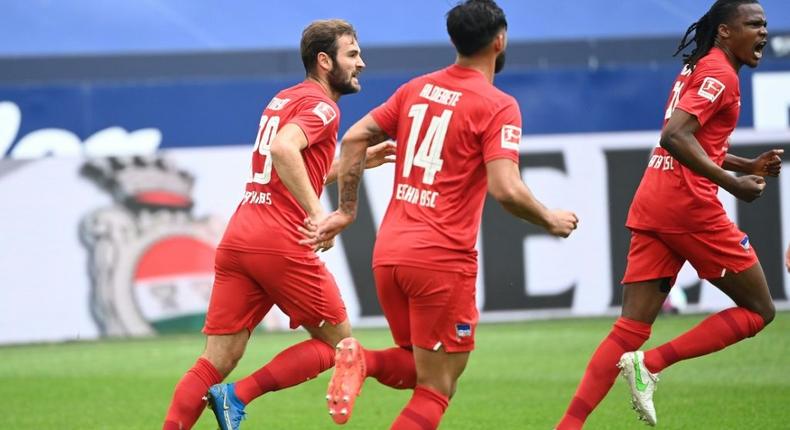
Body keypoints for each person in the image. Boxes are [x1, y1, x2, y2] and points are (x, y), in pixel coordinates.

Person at [301, 1, 578, 428]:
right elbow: (506, 189)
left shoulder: (417, 89)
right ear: (500, 41)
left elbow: (356, 136)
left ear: (453, 41)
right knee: (438, 387)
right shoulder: (498, 104)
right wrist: (549, 219)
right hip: (440, 260)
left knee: (418, 369)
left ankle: (365, 360)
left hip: (390, 255)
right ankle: (365, 361)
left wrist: (347, 211)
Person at [161, 19, 398, 430]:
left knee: (215, 360)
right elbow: (283, 149)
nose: (362, 63)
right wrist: (317, 214)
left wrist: (352, 164)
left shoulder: (284, 98)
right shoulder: (324, 107)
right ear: (325, 61)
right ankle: (238, 395)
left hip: (241, 235)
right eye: (353, 54)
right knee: (340, 346)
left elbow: (289, 169)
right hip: (279, 240)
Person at [556, 1, 782, 428]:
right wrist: (733, 184)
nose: (764, 32)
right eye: (753, 23)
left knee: (628, 329)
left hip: (655, 198)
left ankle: (567, 426)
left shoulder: (698, 67)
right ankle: (652, 364)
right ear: (725, 32)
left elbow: (696, 141)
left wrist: (745, 166)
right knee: (760, 311)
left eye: (766, 24)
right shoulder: (720, 74)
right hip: (688, 205)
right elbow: (674, 135)